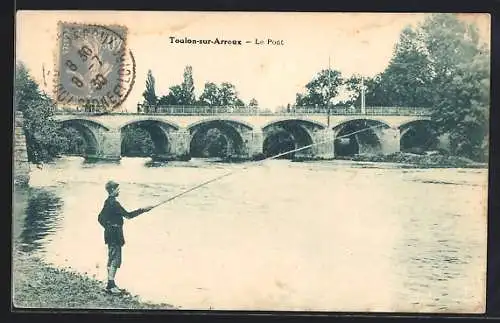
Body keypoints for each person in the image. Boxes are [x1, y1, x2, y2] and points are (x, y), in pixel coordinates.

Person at [98, 180, 154, 294]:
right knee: (115, 260)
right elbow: (128, 215)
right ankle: (111, 285)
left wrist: (107, 227)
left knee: (111, 258)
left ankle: (110, 284)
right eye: (117, 189)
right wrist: (143, 210)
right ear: (112, 190)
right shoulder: (114, 203)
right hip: (115, 235)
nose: (119, 191)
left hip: (111, 234)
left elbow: (100, 218)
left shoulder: (108, 202)